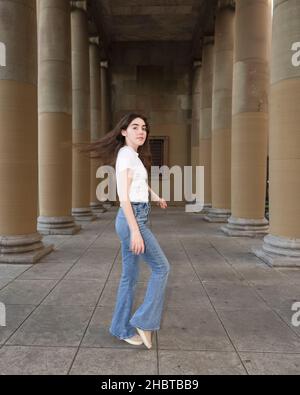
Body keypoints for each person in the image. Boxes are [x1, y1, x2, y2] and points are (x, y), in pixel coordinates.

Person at [76, 113, 170, 349]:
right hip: (133, 220)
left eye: (144, 128)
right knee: (162, 268)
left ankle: (120, 328)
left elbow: (139, 182)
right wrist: (136, 231)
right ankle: (143, 321)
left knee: (130, 277)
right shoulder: (126, 156)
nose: (141, 131)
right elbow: (124, 198)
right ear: (123, 131)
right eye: (135, 127)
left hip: (136, 217)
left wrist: (155, 195)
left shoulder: (133, 156)